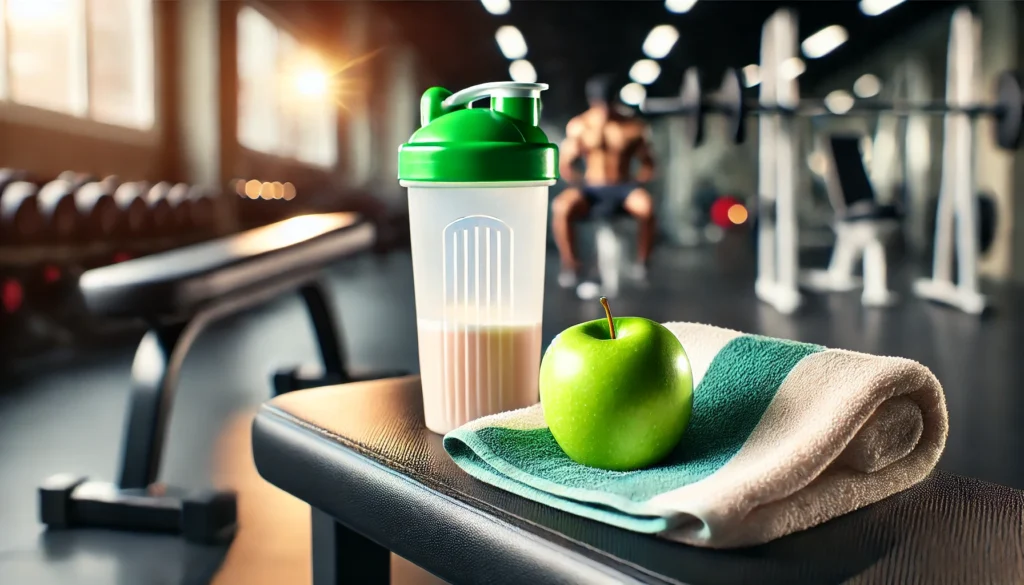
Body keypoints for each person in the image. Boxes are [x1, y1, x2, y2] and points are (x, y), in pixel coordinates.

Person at [551, 74, 657, 288]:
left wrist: (639, 181)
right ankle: (571, 265)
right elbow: (566, 164)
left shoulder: (633, 126)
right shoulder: (580, 125)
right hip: (591, 187)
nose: (604, 108)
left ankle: (642, 264)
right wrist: (578, 182)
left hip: (623, 187)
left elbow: (648, 163)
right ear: (591, 101)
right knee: (561, 207)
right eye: (599, 103)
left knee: (646, 207)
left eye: (607, 103)